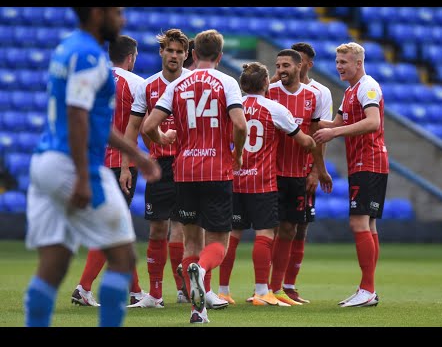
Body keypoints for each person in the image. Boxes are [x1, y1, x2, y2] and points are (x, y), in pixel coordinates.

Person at [23, 7, 161, 327]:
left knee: (54, 264)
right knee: (123, 256)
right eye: (117, 12)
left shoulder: (67, 47)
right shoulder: (87, 56)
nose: (122, 19)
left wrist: (137, 155)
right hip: (73, 165)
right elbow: (77, 115)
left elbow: (96, 121)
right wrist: (84, 177)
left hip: (46, 162)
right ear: (98, 14)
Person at [143, 29, 247, 323]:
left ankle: (197, 311)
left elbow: (149, 126)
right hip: (217, 169)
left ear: (191, 53)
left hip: (184, 171)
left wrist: (163, 139)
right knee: (218, 243)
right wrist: (237, 153)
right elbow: (240, 125)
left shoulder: (177, 83)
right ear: (220, 56)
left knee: (190, 243)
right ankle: (201, 271)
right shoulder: (226, 82)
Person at [217, 62, 316, 307]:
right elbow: (304, 141)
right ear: (265, 84)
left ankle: (223, 291)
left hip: (235, 179)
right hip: (262, 183)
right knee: (264, 234)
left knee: (232, 235)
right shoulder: (275, 108)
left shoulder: (233, 107)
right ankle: (262, 291)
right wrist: (314, 143)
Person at [71, 34, 146, 308]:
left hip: (93, 161)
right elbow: (144, 124)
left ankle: (136, 291)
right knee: (113, 227)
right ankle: (84, 286)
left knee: (118, 225)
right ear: (131, 57)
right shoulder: (137, 83)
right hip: (120, 163)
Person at [313, 42, 388, 307]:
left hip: (369, 161)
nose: (339, 66)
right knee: (369, 225)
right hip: (363, 163)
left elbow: (373, 122)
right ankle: (369, 289)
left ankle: (367, 289)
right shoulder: (349, 92)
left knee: (358, 223)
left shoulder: (368, 86)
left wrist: (333, 133)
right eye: (337, 61)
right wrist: (302, 120)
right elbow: (335, 123)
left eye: (344, 62)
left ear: (358, 63)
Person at [120, 28, 190, 308]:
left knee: (185, 230)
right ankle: (156, 294)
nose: (174, 55)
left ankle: (186, 290)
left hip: (189, 165)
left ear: (187, 55)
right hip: (159, 165)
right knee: (158, 229)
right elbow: (132, 129)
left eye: (179, 51)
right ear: (161, 52)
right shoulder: (147, 86)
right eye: (169, 50)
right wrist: (126, 166)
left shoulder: (195, 83)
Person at [267, 48, 332, 305]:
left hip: (301, 171)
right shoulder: (270, 92)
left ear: (304, 65)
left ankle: (287, 286)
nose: (283, 69)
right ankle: (264, 287)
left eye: (289, 64)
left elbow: (318, 134)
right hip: (271, 172)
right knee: (268, 228)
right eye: (278, 65)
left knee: (297, 227)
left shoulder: (318, 94)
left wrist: (317, 170)